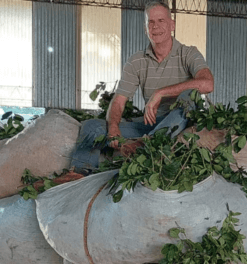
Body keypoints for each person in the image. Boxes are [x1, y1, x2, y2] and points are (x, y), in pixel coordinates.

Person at [70, 0, 214, 174]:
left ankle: (148, 146)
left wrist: (160, 93)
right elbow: (119, 101)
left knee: (190, 95)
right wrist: (114, 126)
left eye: (161, 21)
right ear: (146, 29)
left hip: (183, 123)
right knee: (92, 127)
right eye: (150, 22)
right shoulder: (137, 61)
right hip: (151, 125)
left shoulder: (189, 53)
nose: (155, 26)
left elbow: (207, 83)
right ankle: (78, 174)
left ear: (172, 25)